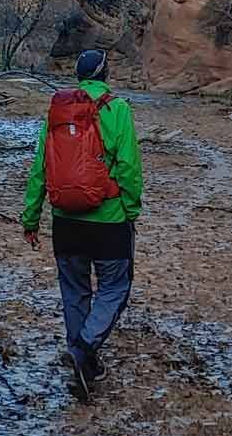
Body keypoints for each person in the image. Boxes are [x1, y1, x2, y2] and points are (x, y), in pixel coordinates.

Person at [20, 47, 143, 402]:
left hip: (64, 221)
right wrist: (130, 209)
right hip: (109, 219)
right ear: (106, 74)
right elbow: (130, 168)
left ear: (78, 75)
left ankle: (84, 363)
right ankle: (83, 349)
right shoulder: (117, 109)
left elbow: (40, 168)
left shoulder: (57, 112)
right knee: (115, 288)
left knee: (74, 291)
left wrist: (31, 216)